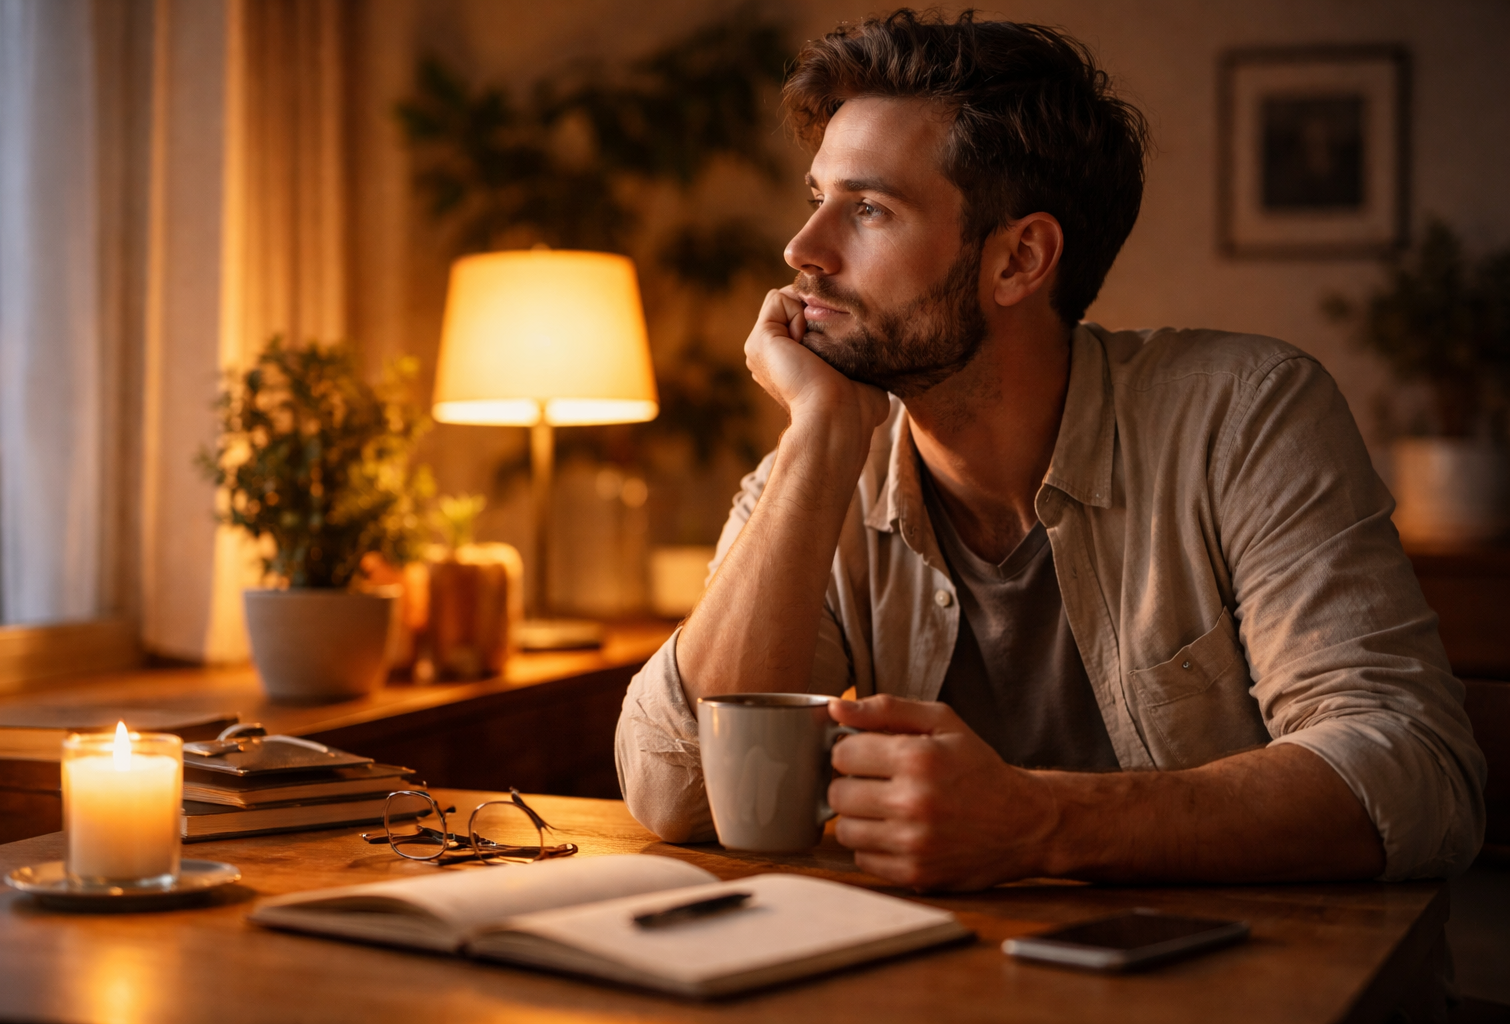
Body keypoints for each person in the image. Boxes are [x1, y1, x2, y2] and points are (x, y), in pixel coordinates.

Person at [614, 10, 1485, 892]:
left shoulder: (1246, 414)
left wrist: (1039, 824)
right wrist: (820, 437)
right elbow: (677, 789)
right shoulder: (823, 464)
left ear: (1019, 259)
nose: (803, 250)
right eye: (816, 200)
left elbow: (1410, 770)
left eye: (869, 208)